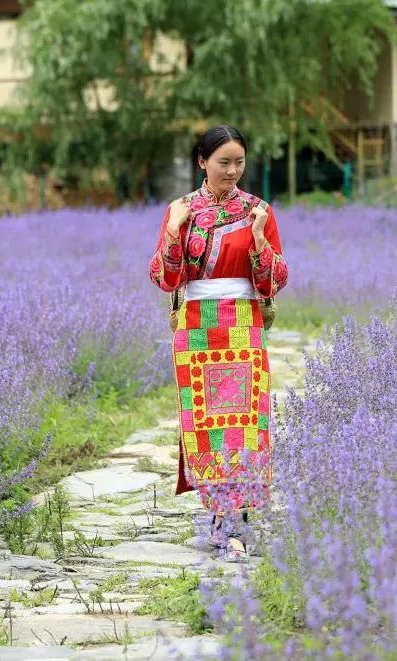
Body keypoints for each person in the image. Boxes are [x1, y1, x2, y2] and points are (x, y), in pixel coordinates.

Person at [148, 124, 288, 562]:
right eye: (223, 162)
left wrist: (261, 239)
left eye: (239, 162)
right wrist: (173, 231)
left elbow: (275, 279)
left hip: (242, 325)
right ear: (202, 162)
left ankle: (237, 518)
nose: (232, 171)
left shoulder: (257, 212)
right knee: (207, 426)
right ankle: (218, 516)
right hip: (197, 329)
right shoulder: (181, 211)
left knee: (246, 424)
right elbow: (164, 277)